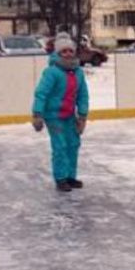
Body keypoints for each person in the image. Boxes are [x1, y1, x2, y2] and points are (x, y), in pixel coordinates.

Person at [32, 33, 89, 192]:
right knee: (60, 146)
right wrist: (37, 114)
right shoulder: (51, 72)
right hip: (53, 116)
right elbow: (41, 93)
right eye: (64, 51)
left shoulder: (78, 72)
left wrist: (82, 116)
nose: (68, 54)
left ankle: (70, 176)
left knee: (73, 144)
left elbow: (83, 95)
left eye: (70, 51)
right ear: (57, 53)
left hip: (69, 116)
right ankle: (61, 178)